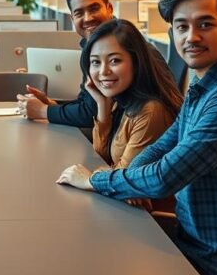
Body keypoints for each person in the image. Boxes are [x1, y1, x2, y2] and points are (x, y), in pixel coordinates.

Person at [57, 0, 217, 275]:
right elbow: (165, 146)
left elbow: (165, 176)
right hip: (196, 245)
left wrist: (96, 180)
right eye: (181, 26)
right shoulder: (207, 84)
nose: (191, 37)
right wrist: (126, 174)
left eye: (205, 24)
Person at [17, 0, 170, 130]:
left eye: (94, 9)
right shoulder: (92, 46)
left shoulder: (128, 46)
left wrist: (43, 111)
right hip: (112, 137)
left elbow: (90, 114)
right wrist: (51, 104)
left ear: (109, 8)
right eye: (79, 13)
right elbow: (88, 104)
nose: (88, 18)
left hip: (135, 136)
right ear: (72, 19)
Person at [77, 19, 181, 169]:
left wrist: (88, 178)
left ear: (136, 62)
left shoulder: (151, 111)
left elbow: (123, 181)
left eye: (114, 60)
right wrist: (102, 106)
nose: (103, 72)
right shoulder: (123, 99)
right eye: (96, 62)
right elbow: (101, 156)